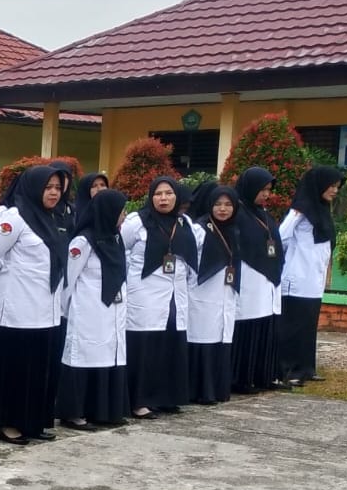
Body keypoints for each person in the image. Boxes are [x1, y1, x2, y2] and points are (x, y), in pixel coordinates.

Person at [0, 165, 66, 445]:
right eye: (48, 187)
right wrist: (10, 277)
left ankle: (34, 420)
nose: (53, 192)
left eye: (57, 188)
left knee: (40, 367)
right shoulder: (14, 218)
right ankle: (8, 421)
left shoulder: (53, 219)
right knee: (15, 368)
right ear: (33, 187)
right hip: (16, 308)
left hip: (47, 308)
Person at [120, 176, 195, 418]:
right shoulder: (137, 222)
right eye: (158, 194)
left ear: (177, 197)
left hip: (175, 294)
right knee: (146, 347)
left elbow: (191, 258)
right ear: (151, 197)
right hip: (145, 292)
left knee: (170, 343)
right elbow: (121, 249)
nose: (163, 198)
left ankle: (166, 397)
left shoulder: (184, 223)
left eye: (168, 193)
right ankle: (140, 401)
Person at [55, 188, 130, 429]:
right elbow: (68, 280)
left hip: (112, 311)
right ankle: (74, 413)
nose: (125, 216)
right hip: (87, 312)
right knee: (83, 358)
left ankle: (104, 411)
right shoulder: (83, 241)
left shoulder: (114, 238)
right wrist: (68, 311)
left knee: (108, 356)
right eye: (121, 211)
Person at [278, 165, 345, 386]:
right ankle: (289, 370)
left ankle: (306, 368)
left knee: (308, 326)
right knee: (293, 327)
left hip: (313, 280)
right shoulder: (301, 210)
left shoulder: (323, 211)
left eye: (337, 186)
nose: (335, 190)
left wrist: (325, 274)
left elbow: (326, 246)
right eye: (332, 185)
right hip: (297, 279)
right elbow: (282, 237)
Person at [229, 167, 285, 394]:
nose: (266, 194)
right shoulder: (238, 213)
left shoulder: (264, 213)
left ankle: (264, 375)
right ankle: (243, 378)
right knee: (249, 326)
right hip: (250, 278)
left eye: (269, 190)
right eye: (262, 190)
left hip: (269, 280)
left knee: (266, 326)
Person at [187, 183, 242, 404]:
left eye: (228, 204)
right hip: (203, 293)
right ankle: (200, 391)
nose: (223, 209)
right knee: (203, 339)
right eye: (218, 204)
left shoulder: (235, 229)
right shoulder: (200, 228)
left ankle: (218, 389)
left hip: (225, 293)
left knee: (221, 338)